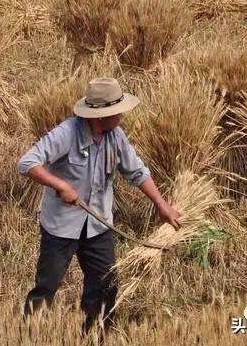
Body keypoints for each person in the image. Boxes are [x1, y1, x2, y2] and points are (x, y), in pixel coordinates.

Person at [16, 77, 182, 339]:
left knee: (105, 285)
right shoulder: (66, 133)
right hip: (61, 226)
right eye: (117, 112)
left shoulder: (116, 136)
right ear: (100, 115)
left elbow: (137, 172)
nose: (122, 116)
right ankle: (26, 337)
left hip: (98, 225)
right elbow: (27, 163)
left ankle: (96, 336)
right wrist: (60, 185)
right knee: (47, 286)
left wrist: (163, 206)